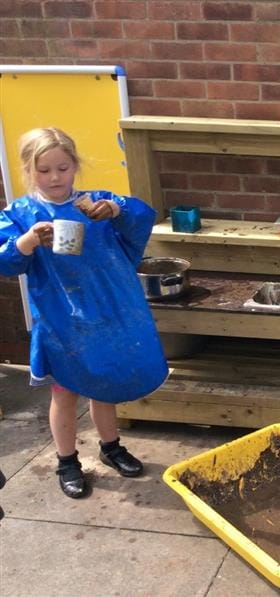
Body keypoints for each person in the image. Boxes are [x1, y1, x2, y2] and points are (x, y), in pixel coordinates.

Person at [0, 127, 168, 499]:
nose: (55, 177)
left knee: (102, 385)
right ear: (29, 170)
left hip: (106, 313)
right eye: (44, 170)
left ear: (75, 165)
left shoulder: (94, 203)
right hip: (63, 322)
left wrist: (115, 210)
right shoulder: (20, 214)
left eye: (63, 167)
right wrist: (27, 242)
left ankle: (111, 447)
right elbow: (5, 261)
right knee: (64, 393)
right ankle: (67, 461)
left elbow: (142, 217)